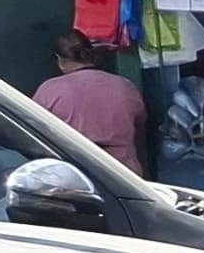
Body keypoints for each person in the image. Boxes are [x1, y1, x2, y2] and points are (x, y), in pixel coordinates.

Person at [32, 32, 144, 161]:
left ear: (59, 59)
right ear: (93, 55)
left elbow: (33, 132)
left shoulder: (49, 91)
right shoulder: (125, 86)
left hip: (75, 168)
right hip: (122, 170)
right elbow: (140, 125)